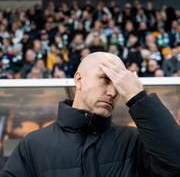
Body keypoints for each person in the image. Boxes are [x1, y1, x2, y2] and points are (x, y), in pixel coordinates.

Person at [1, 52, 180, 177]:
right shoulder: (34, 145)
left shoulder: (133, 141)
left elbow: (175, 164)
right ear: (79, 79)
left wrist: (138, 97)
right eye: (105, 79)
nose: (112, 92)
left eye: (118, 85)